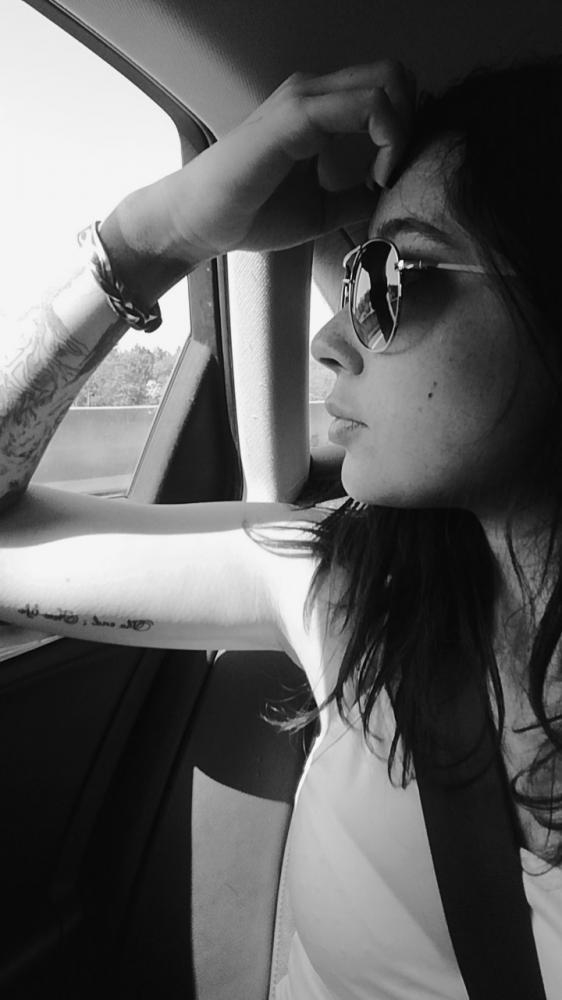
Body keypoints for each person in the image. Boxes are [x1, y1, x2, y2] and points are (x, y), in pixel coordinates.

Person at [1, 56, 562, 997]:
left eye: (395, 273)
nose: (330, 338)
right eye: (354, 274)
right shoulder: (345, 589)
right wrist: (154, 236)